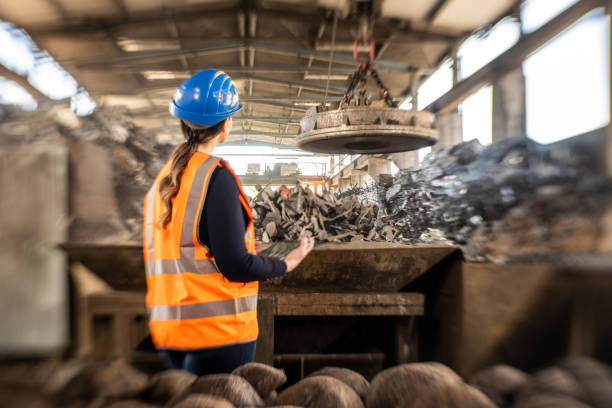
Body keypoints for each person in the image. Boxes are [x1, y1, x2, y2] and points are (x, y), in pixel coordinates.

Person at [143, 69, 314, 376]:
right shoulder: (215, 176)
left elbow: (186, 250)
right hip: (216, 336)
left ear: (183, 123)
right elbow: (235, 265)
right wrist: (286, 263)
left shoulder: (162, 181)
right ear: (225, 126)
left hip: (170, 334)